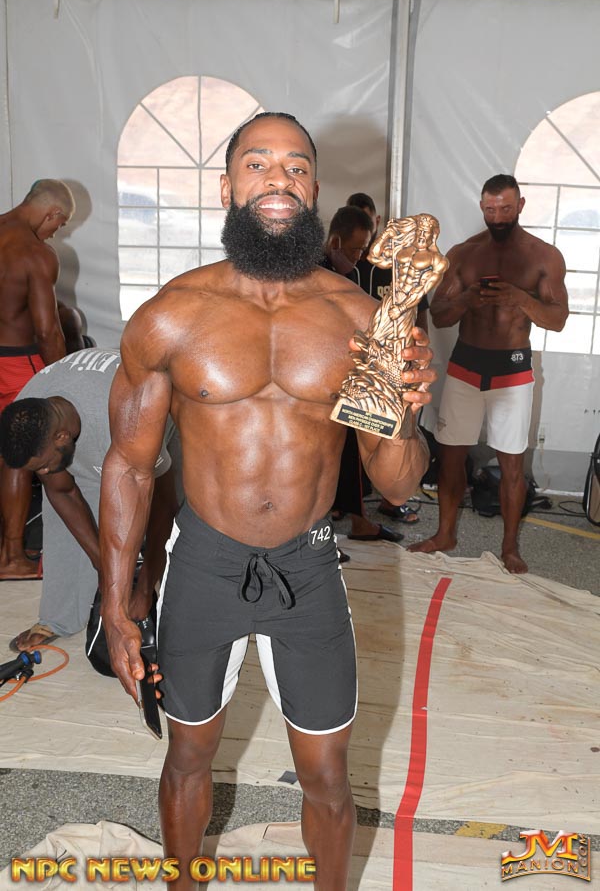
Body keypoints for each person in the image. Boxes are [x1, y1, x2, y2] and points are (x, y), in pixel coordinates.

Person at [99, 112, 434, 890]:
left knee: (328, 773)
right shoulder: (172, 315)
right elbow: (128, 466)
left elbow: (396, 484)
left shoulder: (361, 321)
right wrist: (117, 607)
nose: (278, 179)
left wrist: (404, 410)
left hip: (308, 566)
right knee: (188, 756)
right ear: (226, 187)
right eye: (257, 163)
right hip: (204, 561)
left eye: (296, 166)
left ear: (313, 189)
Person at [409, 174, 568, 573]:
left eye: (506, 208)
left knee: (512, 464)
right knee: (451, 456)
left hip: (512, 372)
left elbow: (558, 319)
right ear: (482, 207)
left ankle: (510, 547)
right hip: (466, 367)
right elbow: (439, 316)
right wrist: (467, 298)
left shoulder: (543, 256)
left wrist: (519, 298)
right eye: (491, 209)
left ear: (520, 205)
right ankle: (445, 534)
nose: (498, 217)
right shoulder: (464, 254)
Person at [0, 348, 177, 651]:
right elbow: (62, 492)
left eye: (43, 465)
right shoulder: (29, 410)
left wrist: (145, 586)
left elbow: (164, 503)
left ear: (61, 436)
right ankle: (58, 617)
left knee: (188, 523)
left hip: (161, 415)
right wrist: (105, 571)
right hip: (97, 424)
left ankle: (180, 622)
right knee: (61, 517)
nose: (43, 473)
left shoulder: (127, 415)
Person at [0, 180, 74, 580]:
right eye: (59, 226)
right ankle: (12, 557)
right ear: (52, 213)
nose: (55, 233)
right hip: (16, 363)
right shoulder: (35, 254)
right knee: (18, 455)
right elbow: (48, 331)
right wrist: (63, 380)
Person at [346, 192, 429, 524]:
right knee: (351, 444)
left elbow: (421, 310)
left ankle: (385, 507)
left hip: (394, 358)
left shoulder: (414, 261)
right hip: (363, 352)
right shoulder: (353, 266)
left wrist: (418, 348)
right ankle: (351, 509)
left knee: (394, 431)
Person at [323, 206, 403, 544]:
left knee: (351, 452)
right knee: (322, 456)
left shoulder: (350, 274)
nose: (360, 256)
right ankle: (325, 534)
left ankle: (358, 521)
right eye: (356, 248)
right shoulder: (315, 274)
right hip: (319, 381)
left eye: (364, 248)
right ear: (336, 241)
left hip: (347, 375)